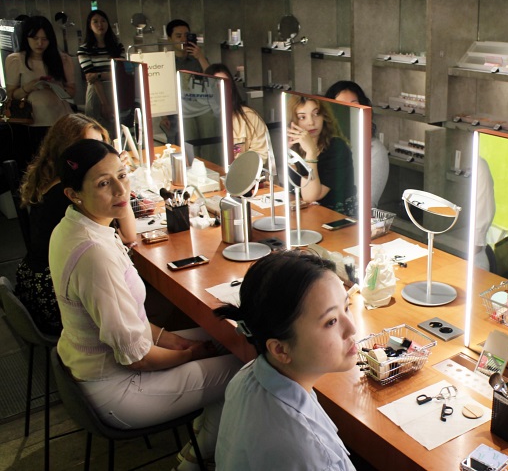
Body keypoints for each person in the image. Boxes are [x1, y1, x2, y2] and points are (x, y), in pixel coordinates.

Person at [50, 139, 241, 470]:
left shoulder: (76, 226)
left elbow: (128, 320)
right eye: (103, 183)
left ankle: (203, 436)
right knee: (244, 369)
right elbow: (136, 357)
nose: (121, 189)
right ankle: (194, 459)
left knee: (229, 339)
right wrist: (188, 354)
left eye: (121, 175)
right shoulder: (94, 253)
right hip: (119, 390)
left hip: (92, 369)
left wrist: (173, 339)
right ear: (73, 194)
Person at [215, 251, 358, 470]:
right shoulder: (309, 451)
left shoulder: (247, 375)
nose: (351, 328)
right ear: (280, 349)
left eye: (346, 307)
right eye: (331, 321)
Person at [16, 114, 136, 335]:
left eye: (102, 145)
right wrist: (121, 181)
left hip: (32, 285)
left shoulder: (51, 180)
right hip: (51, 300)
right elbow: (129, 236)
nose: (97, 153)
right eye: (90, 146)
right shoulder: (69, 196)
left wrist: (115, 174)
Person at [4, 16, 75, 166]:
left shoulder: (62, 59)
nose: (40, 43)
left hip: (59, 119)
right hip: (31, 121)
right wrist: (29, 87)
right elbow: (11, 95)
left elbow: (72, 91)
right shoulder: (16, 60)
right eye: (35, 38)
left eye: (45, 39)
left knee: (61, 162)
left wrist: (56, 86)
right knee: (38, 164)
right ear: (27, 38)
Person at [287, 95, 357, 217]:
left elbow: (311, 196)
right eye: (302, 117)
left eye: (316, 114)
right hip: (307, 214)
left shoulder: (337, 147)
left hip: (338, 217)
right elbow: (289, 187)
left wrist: (310, 152)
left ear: (323, 116)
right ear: (293, 122)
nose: (311, 122)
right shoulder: (294, 145)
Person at [324, 81, 389, 208]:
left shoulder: (374, 150)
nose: (350, 111)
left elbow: (366, 204)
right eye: (342, 106)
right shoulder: (325, 145)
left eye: (354, 105)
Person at [204, 63, 273, 164]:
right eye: (215, 85)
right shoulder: (202, 119)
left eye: (225, 84)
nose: (221, 89)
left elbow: (261, 154)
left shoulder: (249, 117)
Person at [160, 20, 213, 149]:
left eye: (186, 35)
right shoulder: (166, 61)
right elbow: (163, 88)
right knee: (187, 146)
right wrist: (164, 115)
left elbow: (212, 77)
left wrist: (200, 57)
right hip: (180, 110)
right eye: (179, 36)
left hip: (202, 107)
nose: (183, 39)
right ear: (170, 38)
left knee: (209, 143)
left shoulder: (197, 58)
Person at [77, 10, 124, 135]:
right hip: (97, 92)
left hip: (115, 89)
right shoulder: (84, 49)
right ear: (89, 25)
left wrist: (99, 74)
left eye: (103, 21)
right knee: (97, 131)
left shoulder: (117, 46)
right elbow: (91, 78)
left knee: (116, 132)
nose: (100, 25)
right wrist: (105, 104)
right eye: (95, 22)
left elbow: (122, 72)